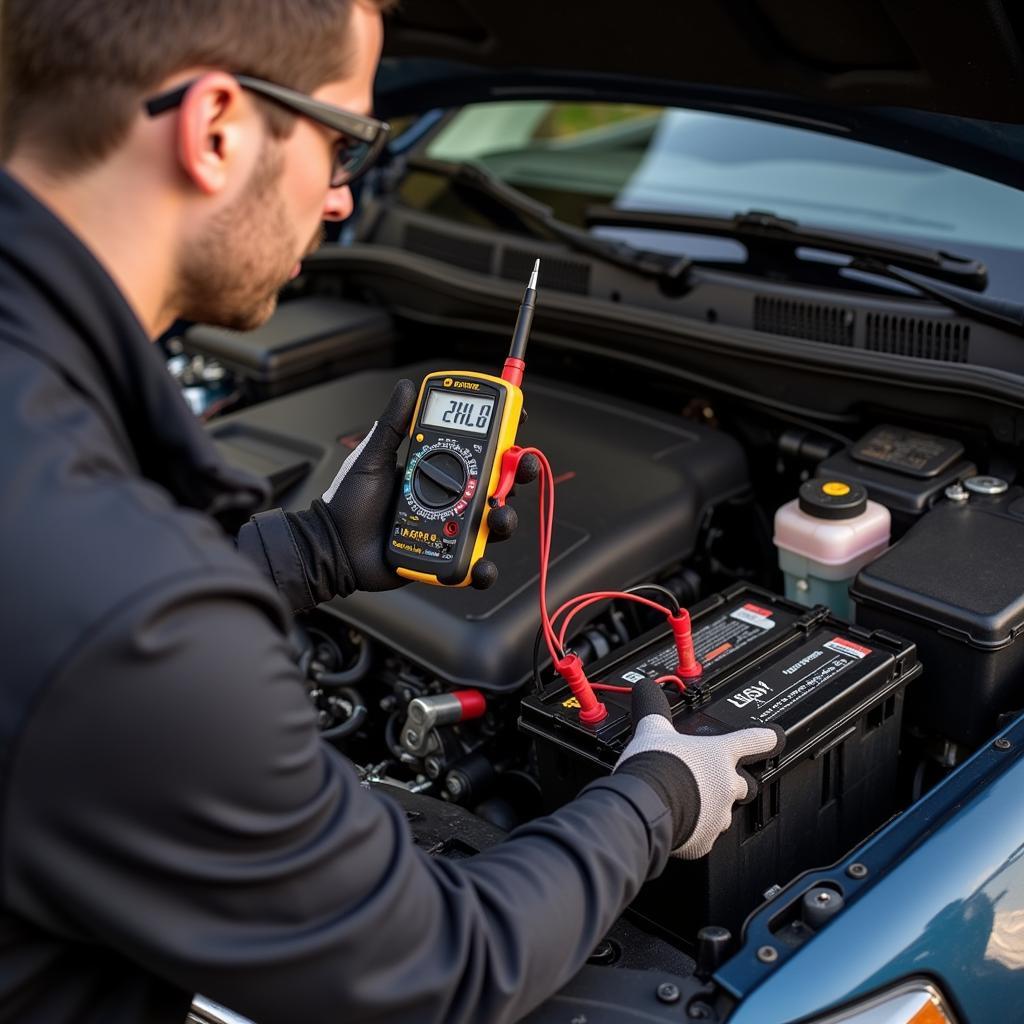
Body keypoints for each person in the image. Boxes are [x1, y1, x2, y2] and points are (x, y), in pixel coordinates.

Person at [0, 1, 784, 1022]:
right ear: (218, 128)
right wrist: (655, 797)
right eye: (344, 142)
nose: (338, 202)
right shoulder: (133, 613)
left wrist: (307, 550)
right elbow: (439, 973)